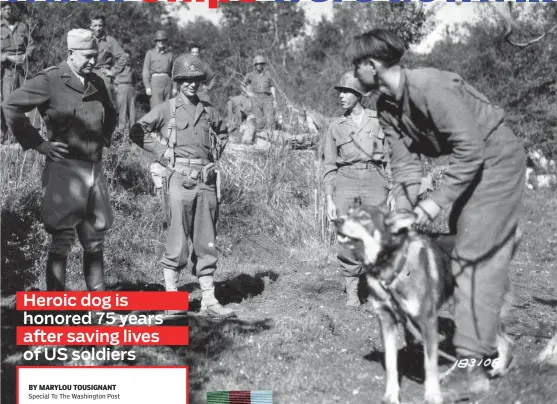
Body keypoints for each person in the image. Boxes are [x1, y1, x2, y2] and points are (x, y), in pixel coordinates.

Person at [347, 28, 525, 397]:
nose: (352, 74)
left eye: (355, 65)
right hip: (470, 166)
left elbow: (471, 150)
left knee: (473, 256)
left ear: (372, 65)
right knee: (465, 249)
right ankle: (489, 353)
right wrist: (407, 213)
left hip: (496, 161)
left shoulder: (431, 86)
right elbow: (405, 166)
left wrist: (433, 203)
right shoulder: (385, 105)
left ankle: (471, 370)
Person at [2, 29, 117, 291]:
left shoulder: (97, 82)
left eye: (95, 55)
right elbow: (11, 105)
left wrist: (105, 139)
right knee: (62, 240)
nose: (92, 61)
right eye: (87, 56)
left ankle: (97, 307)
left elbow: (111, 113)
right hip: (64, 171)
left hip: (94, 171)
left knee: (95, 239)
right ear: (71, 54)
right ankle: (56, 310)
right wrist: (38, 144)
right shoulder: (51, 79)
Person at [129, 54, 234, 318]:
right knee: (177, 239)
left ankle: (209, 300)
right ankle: (173, 298)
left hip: (205, 181)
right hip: (178, 179)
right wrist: (162, 151)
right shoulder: (167, 109)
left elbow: (223, 133)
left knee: (206, 240)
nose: (191, 84)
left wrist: (215, 158)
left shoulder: (209, 110)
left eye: (196, 80)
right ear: (177, 81)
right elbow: (137, 130)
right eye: (186, 80)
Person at [323, 71, 391, 308]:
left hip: (375, 179)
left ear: (358, 94)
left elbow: (390, 158)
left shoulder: (379, 121)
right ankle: (352, 290)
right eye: (340, 91)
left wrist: (392, 190)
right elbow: (329, 165)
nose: (341, 96)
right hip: (346, 181)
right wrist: (329, 198)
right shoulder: (335, 126)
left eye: (346, 91)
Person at [1, 2, 35, 144]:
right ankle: (6, 135)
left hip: (23, 68)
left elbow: (31, 45)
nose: (8, 11)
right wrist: (6, 57)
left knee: (29, 100)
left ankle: (28, 134)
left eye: (10, 8)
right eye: (4, 8)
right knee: (7, 102)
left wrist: (25, 56)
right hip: (6, 70)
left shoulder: (22, 26)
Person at [90, 13, 126, 104]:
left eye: (100, 25)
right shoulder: (87, 40)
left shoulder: (110, 41)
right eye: (95, 25)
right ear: (90, 26)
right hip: (88, 74)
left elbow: (123, 57)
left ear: (104, 26)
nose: (98, 28)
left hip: (103, 75)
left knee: (107, 104)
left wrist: (113, 71)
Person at [242, 55, 277, 134]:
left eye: (261, 64)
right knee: (259, 121)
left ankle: (272, 137)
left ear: (263, 64)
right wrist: (248, 93)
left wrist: (274, 99)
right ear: (254, 65)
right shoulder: (250, 75)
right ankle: (259, 138)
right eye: (257, 64)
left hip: (268, 98)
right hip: (256, 98)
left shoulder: (268, 74)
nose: (259, 65)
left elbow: (272, 86)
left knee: (270, 119)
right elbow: (242, 85)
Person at [143, 30, 176, 109]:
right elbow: (145, 70)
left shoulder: (169, 54)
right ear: (156, 41)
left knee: (167, 108)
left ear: (165, 41)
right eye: (159, 40)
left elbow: (174, 72)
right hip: (155, 82)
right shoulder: (150, 53)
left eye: (163, 40)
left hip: (167, 82)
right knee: (156, 108)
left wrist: (175, 87)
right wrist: (147, 86)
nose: (161, 42)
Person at [115, 52, 136, 134]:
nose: (126, 59)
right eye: (124, 58)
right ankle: (121, 131)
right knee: (122, 110)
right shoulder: (117, 68)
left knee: (132, 110)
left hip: (130, 88)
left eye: (128, 58)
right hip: (121, 88)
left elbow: (134, 80)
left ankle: (133, 131)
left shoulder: (132, 70)